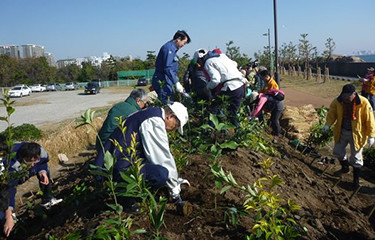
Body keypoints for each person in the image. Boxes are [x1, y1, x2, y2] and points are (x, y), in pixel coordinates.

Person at [94, 102, 189, 207]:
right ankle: (127, 199)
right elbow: (161, 157)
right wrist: (174, 190)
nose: (173, 130)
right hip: (120, 168)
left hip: (116, 163)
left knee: (157, 172)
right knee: (160, 174)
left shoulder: (150, 113)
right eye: (175, 126)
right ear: (170, 116)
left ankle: (131, 193)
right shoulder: (154, 122)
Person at [2, 142, 62, 237]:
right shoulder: (10, 163)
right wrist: (8, 216)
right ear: (22, 158)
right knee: (4, 211)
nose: (33, 165)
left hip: (24, 170)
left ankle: (47, 199)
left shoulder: (40, 152)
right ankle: (6, 223)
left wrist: (42, 172)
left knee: (46, 170)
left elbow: (43, 162)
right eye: (29, 162)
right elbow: (9, 190)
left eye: (35, 161)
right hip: (8, 181)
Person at [322, 84, 375, 187]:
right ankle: (345, 168)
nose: (345, 99)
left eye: (348, 97)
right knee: (337, 151)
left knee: (356, 158)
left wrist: (371, 135)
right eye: (344, 96)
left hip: (357, 133)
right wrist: (327, 125)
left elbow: (370, 120)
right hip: (342, 131)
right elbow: (332, 114)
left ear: (354, 94)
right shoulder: (338, 101)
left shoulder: (363, 103)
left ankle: (356, 180)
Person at [200, 49, 248, 128]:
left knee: (213, 108)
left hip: (231, 87)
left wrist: (207, 87)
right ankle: (238, 133)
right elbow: (234, 63)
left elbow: (215, 80)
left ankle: (210, 131)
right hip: (240, 85)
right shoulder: (222, 56)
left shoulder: (208, 62)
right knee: (232, 113)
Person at [152, 30, 191, 104]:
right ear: (178, 39)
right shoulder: (169, 48)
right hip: (163, 80)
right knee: (166, 102)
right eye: (184, 42)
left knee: (170, 100)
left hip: (168, 80)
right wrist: (176, 82)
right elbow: (167, 68)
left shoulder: (173, 49)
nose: (183, 45)